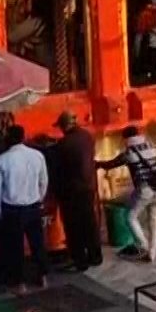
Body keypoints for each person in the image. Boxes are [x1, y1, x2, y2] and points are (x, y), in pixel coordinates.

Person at [0, 123, 49, 292]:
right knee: (38, 244)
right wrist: (39, 199)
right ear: (23, 137)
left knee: (14, 248)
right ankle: (43, 277)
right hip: (33, 207)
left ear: (8, 139)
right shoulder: (38, 156)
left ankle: (20, 284)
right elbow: (43, 182)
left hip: (12, 210)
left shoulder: (1, 161)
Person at [99, 126, 156, 262]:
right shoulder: (153, 147)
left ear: (126, 139)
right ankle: (151, 254)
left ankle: (142, 244)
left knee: (130, 216)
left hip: (145, 190)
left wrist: (98, 164)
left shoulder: (129, 152)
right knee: (153, 221)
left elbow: (111, 164)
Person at [51, 113, 103, 272]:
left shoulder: (64, 144)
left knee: (74, 227)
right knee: (90, 223)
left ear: (65, 126)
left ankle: (80, 260)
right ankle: (96, 256)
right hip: (88, 187)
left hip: (71, 191)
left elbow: (57, 168)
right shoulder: (87, 136)